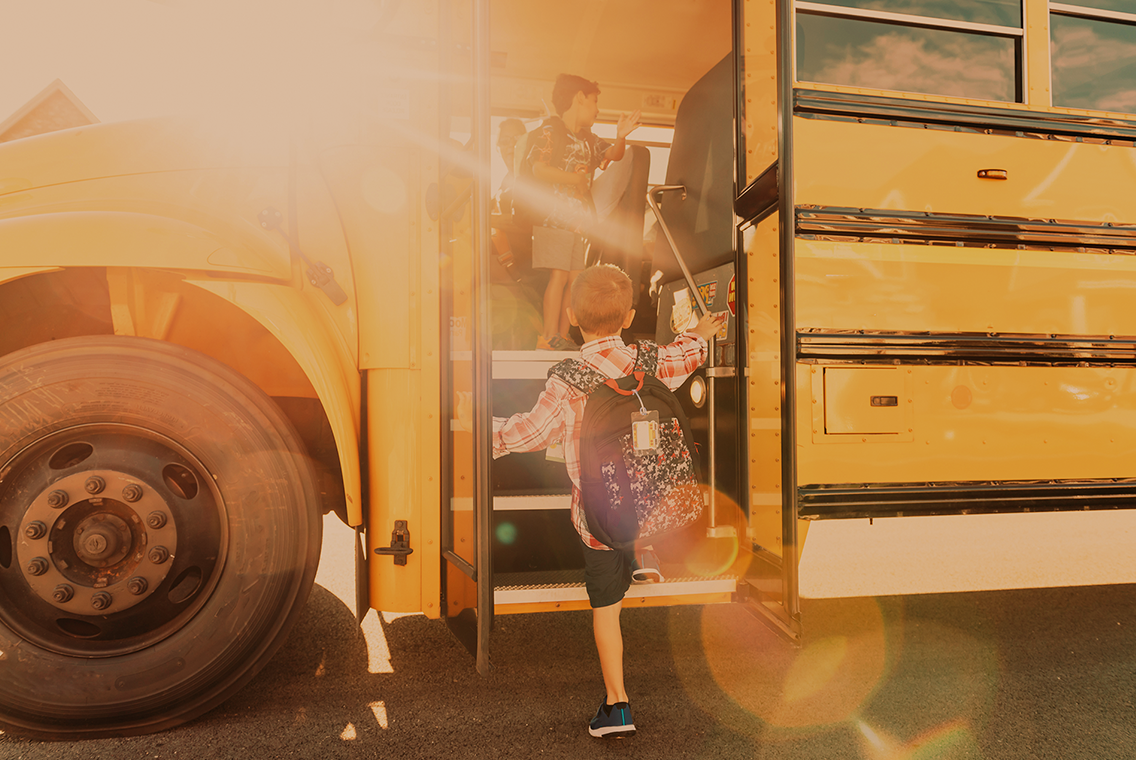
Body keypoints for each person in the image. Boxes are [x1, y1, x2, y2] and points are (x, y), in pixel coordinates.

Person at [491, 264, 727, 738]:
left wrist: (485, 430)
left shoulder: (568, 377)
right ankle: (646, 549)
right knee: (645, 489)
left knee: (606, 608)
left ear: (572, 315)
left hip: (598, 519)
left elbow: (532, 433)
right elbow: (686, 353)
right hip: (657, 505)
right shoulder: (647, 358)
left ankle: (618, 705)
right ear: (630, 316)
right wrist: (699, 332)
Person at [524, 74, 641, 350]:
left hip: (577, 222)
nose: (597, 109)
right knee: (559, 275)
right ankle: (549, 334)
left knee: (575, 280)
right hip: (551, 218)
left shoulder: (588, 138)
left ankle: (563, 336)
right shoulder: (549, 131)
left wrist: (620, 137)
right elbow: (538, 169)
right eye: (594, 101)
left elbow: (613, 155)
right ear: (579, 98)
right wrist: (573, 180)